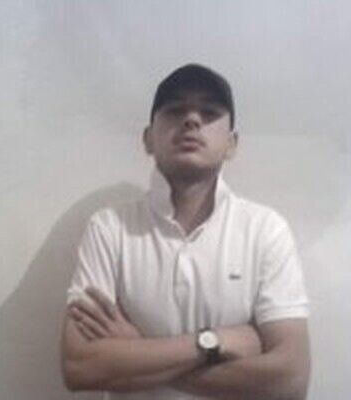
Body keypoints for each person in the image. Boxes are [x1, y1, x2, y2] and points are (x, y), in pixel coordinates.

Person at [60, 64, 311, 400]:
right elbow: (79, 366)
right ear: (148, 139)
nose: (192, 120)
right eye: (175, 109)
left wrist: (136, 349)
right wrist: (214, 342)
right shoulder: (109, 228)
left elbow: (290, 382)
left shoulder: (265, 230)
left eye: (209, 112)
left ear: (232, 144)